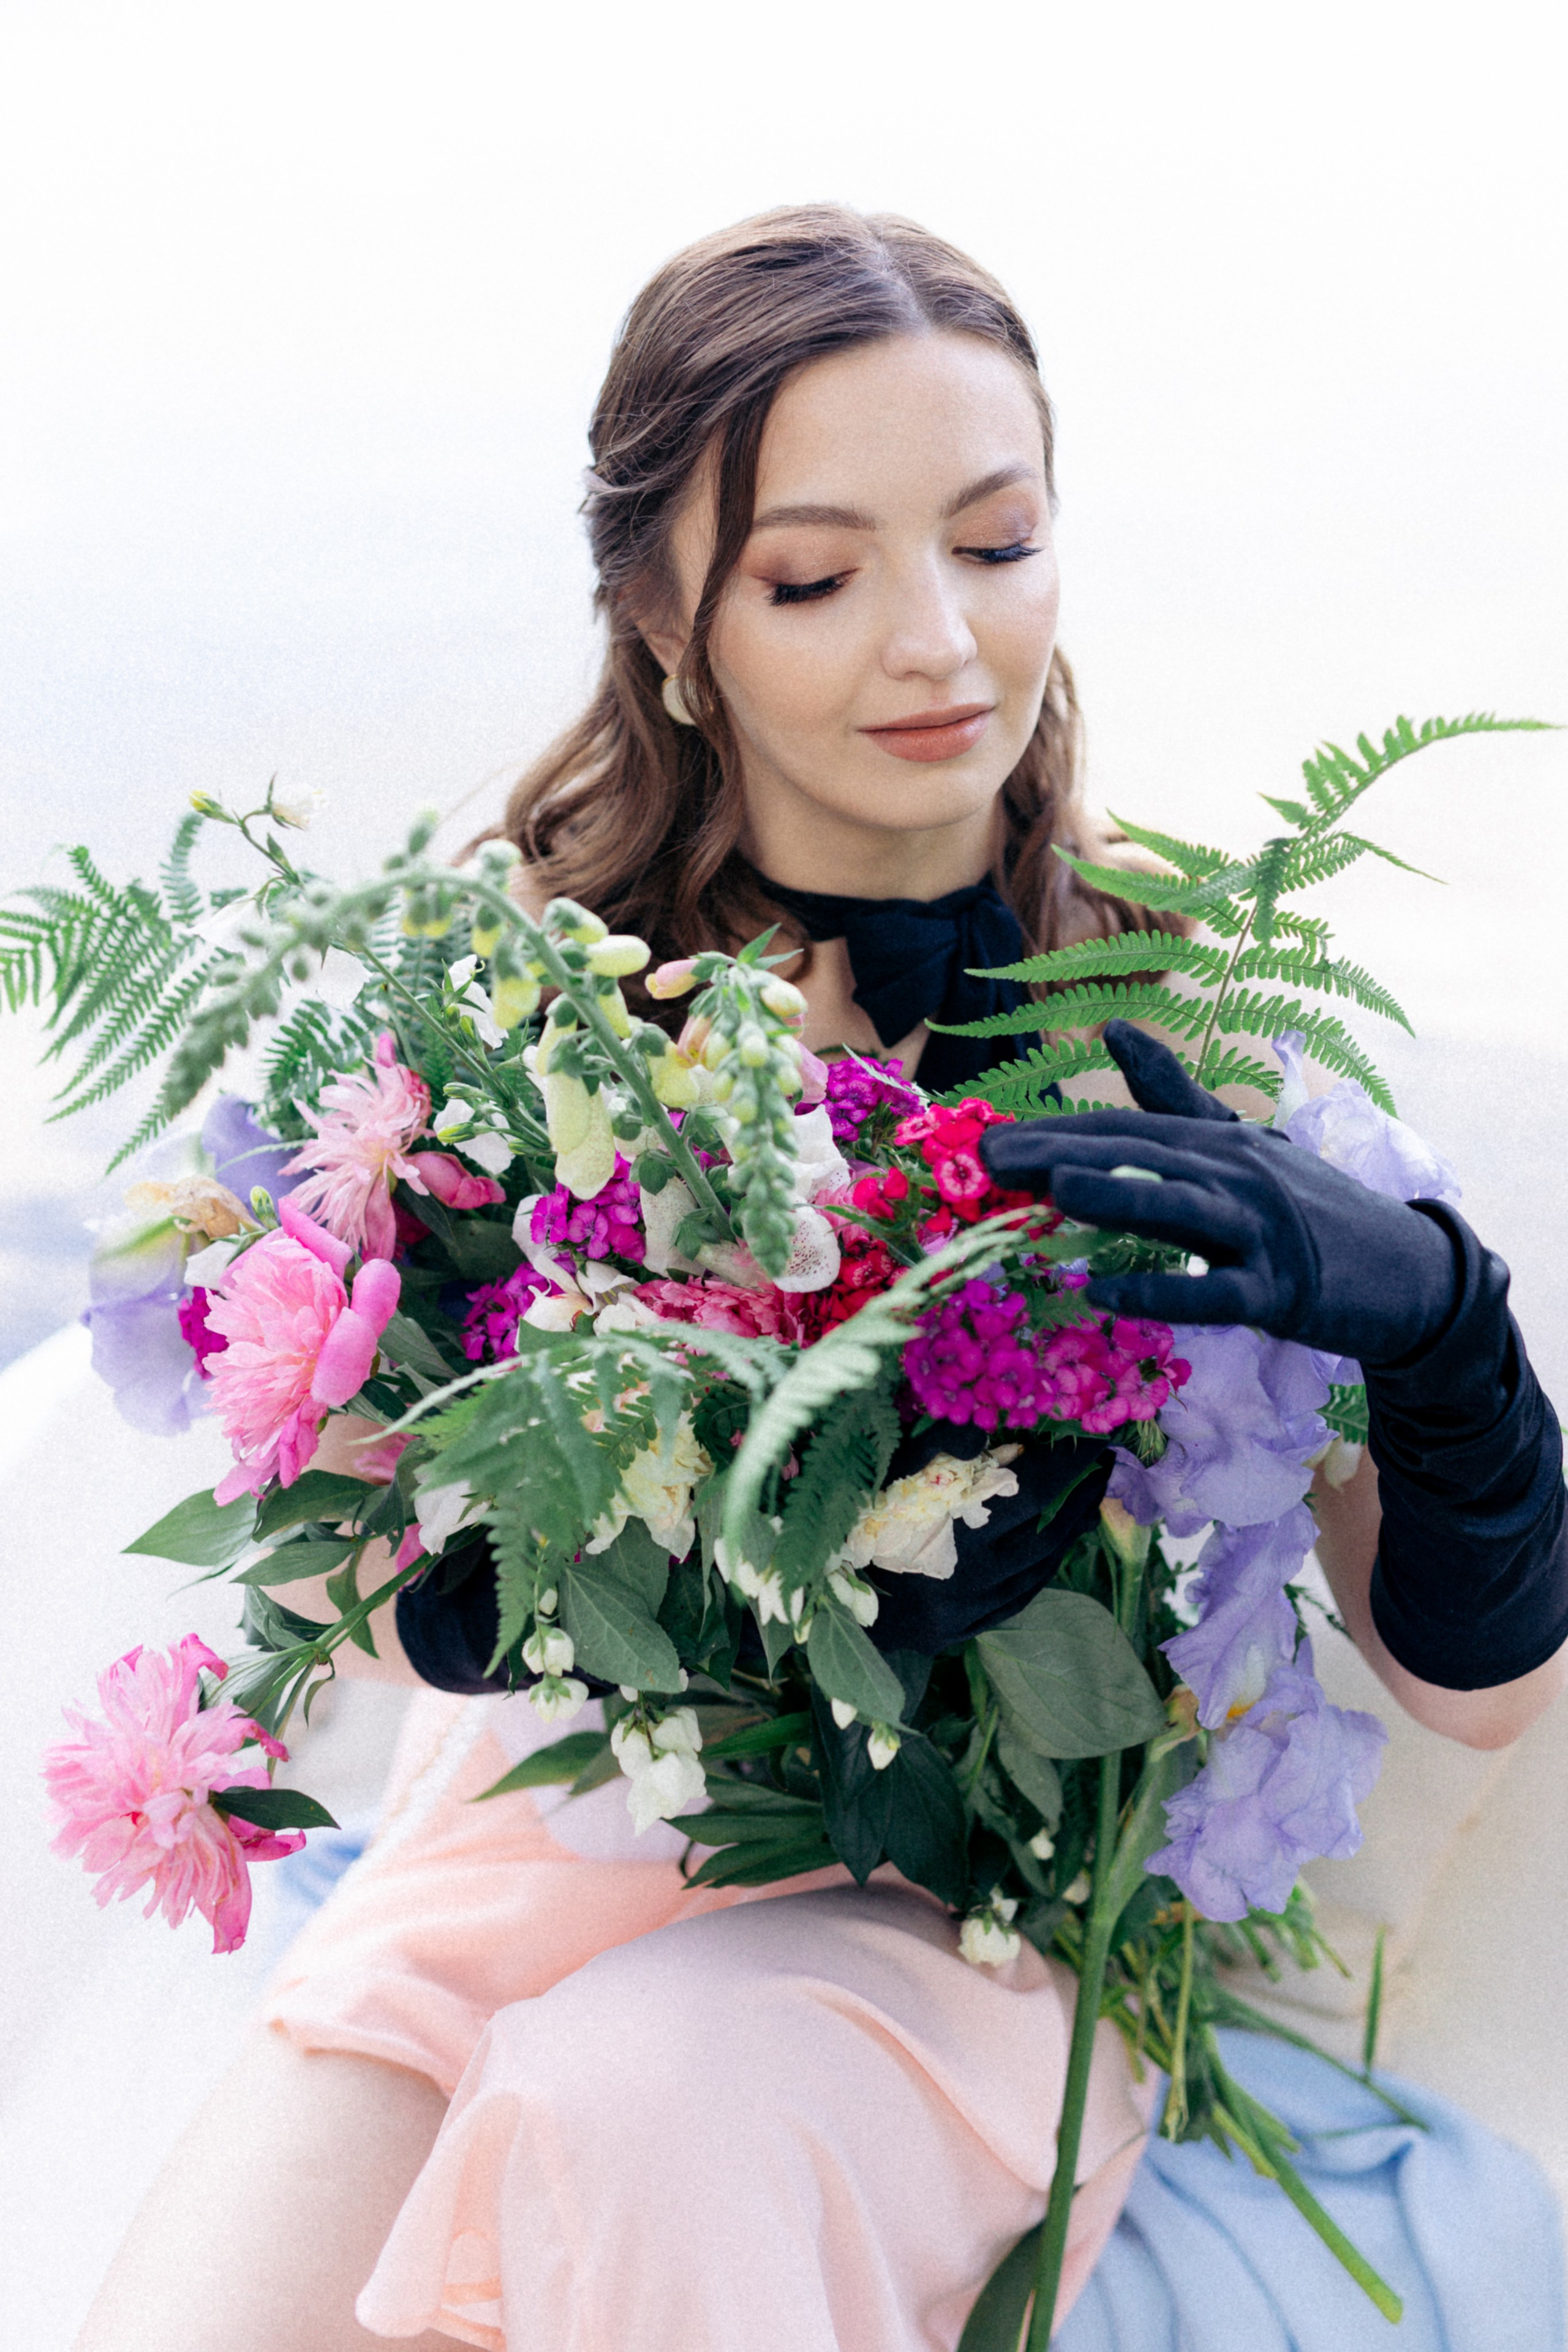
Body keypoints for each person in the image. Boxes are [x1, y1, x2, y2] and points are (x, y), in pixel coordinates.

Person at [75, 206, 1566, 2352]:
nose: (941, 643)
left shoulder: (1176, 1028)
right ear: (668, 623)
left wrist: (1441, 1326)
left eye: (998, 540)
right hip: (499, 1879)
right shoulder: (533, 1017)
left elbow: (1479, 1695)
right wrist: (469, 1559)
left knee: (651, 2115)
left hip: (938, 1939)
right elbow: (338, 1601)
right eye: (816, 574)